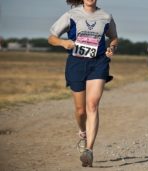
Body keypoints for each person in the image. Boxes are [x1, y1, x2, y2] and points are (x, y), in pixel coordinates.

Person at [48, 0, 118, 167]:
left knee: (92, 105)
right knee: (80, 111)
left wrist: (112, 48)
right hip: (76, 64)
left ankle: (89, 150)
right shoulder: (71, 15)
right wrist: (63, 43)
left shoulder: (106, 17)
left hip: (98, 63)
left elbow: (114, 38)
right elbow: (51, 38)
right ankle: (82, 133)